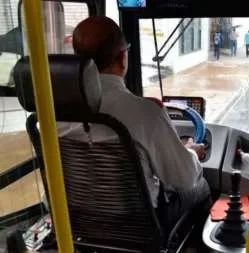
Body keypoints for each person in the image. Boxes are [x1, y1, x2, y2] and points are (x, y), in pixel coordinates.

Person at [60, 16, 210, 229]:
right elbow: (183, 178)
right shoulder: (146, 113)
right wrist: (192, 152)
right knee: (201, 186)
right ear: (123, 58)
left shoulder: (52, 116)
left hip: (79, 222)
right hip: (139, 225)